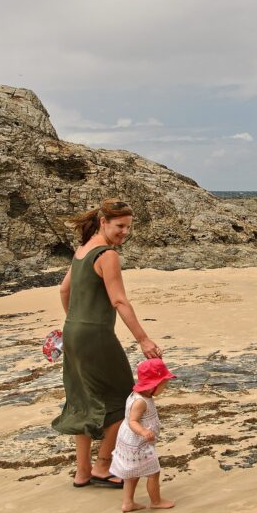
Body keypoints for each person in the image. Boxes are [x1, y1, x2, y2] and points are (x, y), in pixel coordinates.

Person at [52, 198, 163, 489]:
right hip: (96, 335)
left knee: (82, 400)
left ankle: (82, 472)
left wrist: (75, 320)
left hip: (73, 331)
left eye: (128, 227)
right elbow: (118, 300)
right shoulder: (106, 255)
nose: (124, 232)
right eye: (120, 226)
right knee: (123, 398)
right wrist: (143, 338)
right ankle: (103, 466)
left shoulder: (82, 250)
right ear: (103, 222)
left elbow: (64, 290)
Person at [110, 358, 176, 512]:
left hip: (130, 441)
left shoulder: (138, 395)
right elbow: (132, 421)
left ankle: (128, 503)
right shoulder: (141, 402)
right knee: (153, 472)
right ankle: (156, 501)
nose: (165, 387)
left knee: (133, 473)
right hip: (138, 444)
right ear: (152, 385)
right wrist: (144, 431)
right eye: (163, 384)